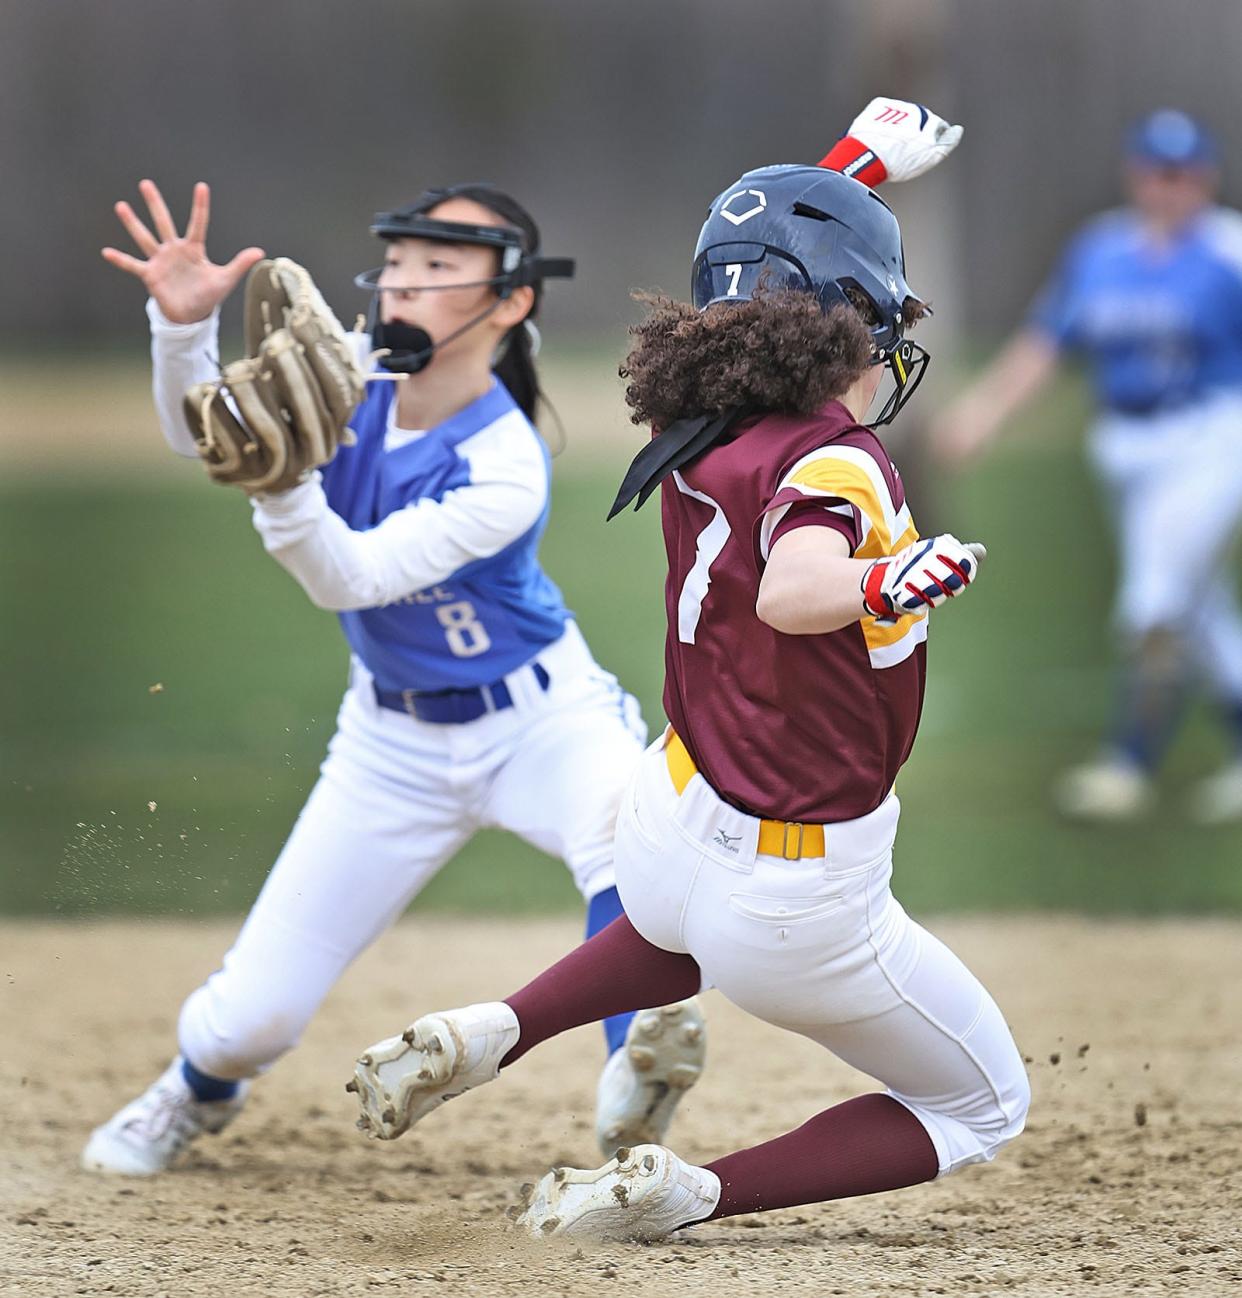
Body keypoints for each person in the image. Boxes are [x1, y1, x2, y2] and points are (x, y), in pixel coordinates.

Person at [346, 133, 1031, 1243]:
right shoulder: (840, 455)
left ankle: (493, 1029)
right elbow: (797, 587)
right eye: (878, 316)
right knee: (984, 1101)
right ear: (834, 319)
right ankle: (689, 1192)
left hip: (670, 818)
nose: (885, 339)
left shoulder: (692, 416)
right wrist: (887, 575)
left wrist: (850, 161)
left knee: (683, 933)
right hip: (801, 890)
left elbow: (754, 265)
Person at [81, 178, 707, 1175]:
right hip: (390, 739)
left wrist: (281, 487)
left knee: (631, 849)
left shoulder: (505, 459)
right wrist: (182, 333)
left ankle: (633, 1077)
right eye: (402, 264)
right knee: (248, 1020)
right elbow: (194, 430)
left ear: (511, 302)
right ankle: (195, 1089)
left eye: (441, 266)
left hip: (542, 715)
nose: (405, 284)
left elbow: (353, 573)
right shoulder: (348, 380)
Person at [932, 109, 1242, 823]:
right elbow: (1045, 344)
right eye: (1157, 172)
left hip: (1210, 439)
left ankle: (1128, 763)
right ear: (1136, 174)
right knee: (1200, 609)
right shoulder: (1101, 250)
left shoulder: (1227, 252)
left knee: (1157, 600)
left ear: (1206, 178)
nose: (1169, 187)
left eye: (1183, 173)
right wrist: (981, 414)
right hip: (1127, 448)